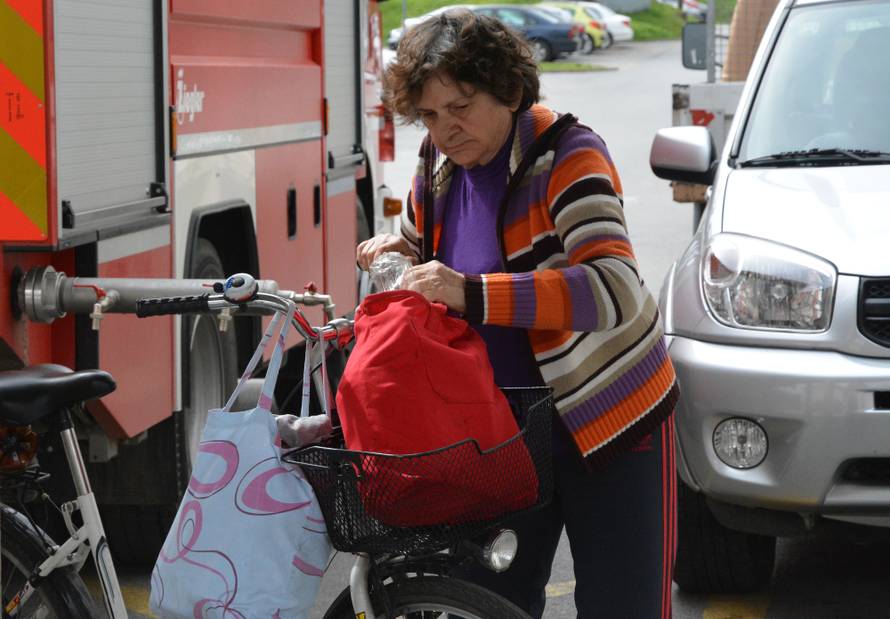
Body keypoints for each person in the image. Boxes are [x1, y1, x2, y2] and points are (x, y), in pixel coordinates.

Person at [356, 9, 679, 618]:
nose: (445, 129)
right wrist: (401, 253)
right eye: (430, 114)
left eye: (461, 106)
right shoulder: (436, 164)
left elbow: (614, 289)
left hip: (609, 421)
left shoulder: (568, 153)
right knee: (489, 603)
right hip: (501, 435)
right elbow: (432, 255)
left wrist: (472, 291)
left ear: (507, 90)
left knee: (623, 605)